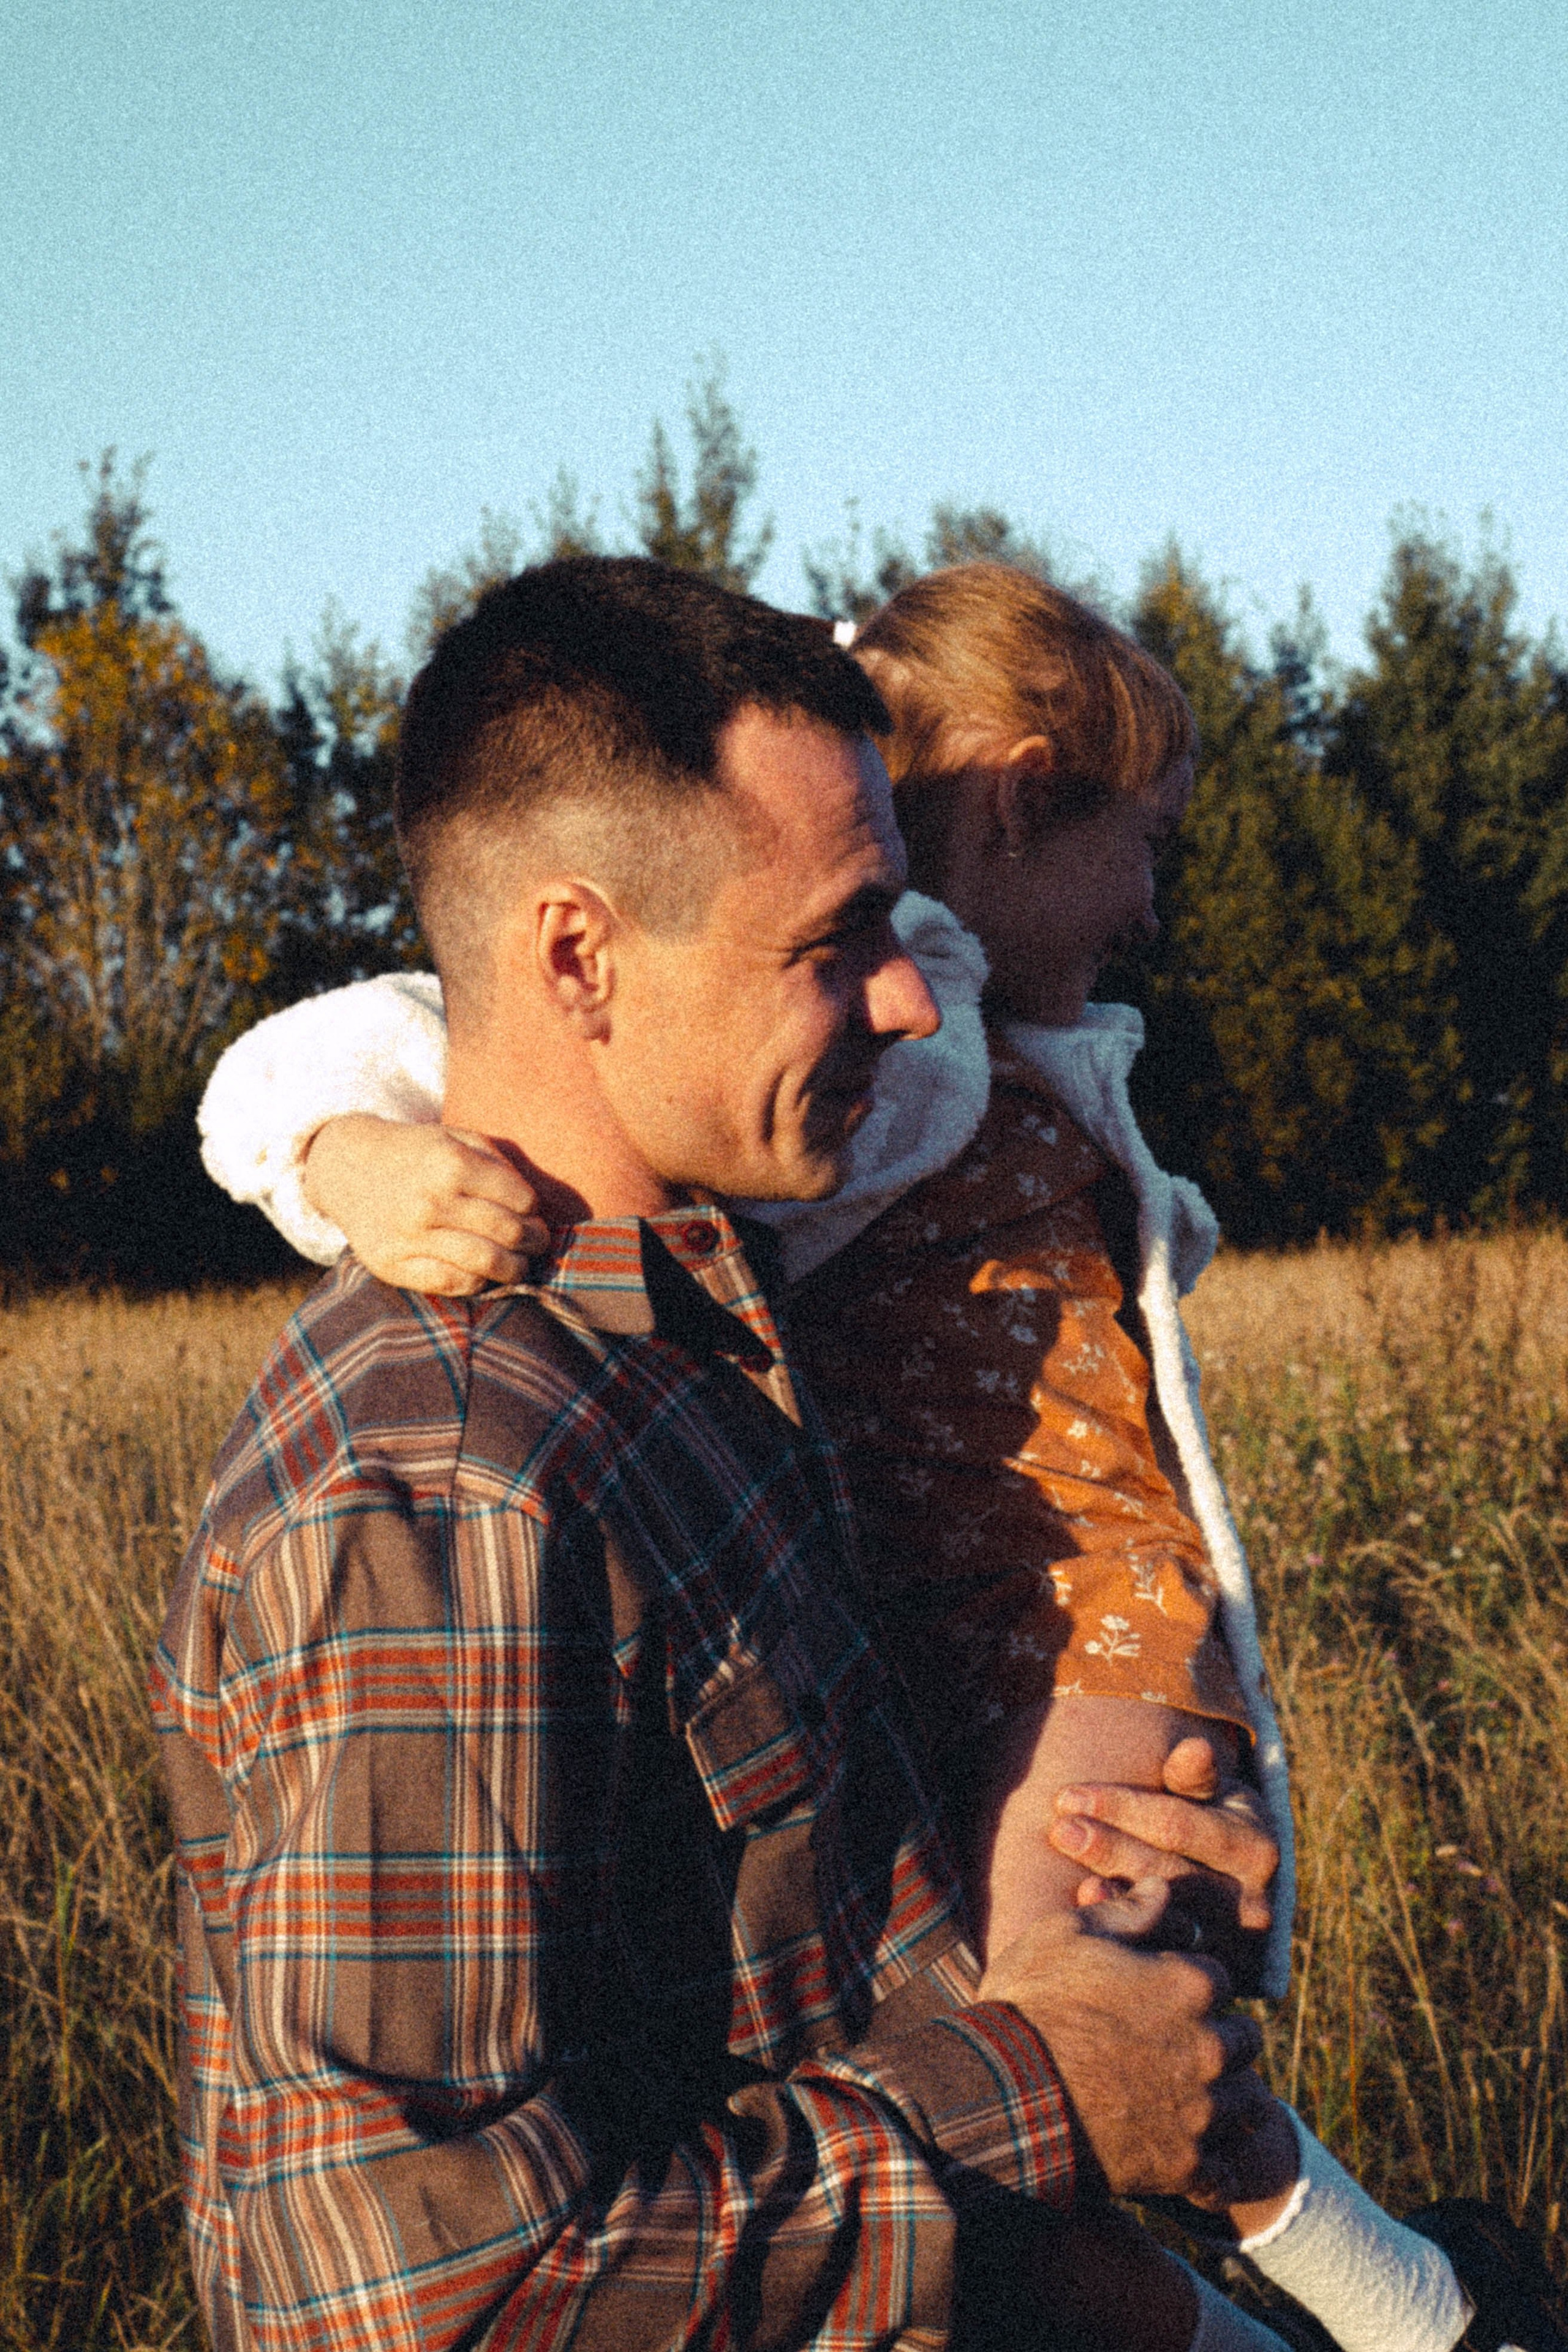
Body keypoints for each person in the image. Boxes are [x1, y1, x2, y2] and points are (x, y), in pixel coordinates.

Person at [196, 565, 1486, 2352]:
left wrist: (1091, 1911)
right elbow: (425, 2301)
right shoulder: (454, 1478)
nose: (908, 1004)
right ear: (578, 954)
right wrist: (1042, 2082)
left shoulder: (713, 1344)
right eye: (841, 940)